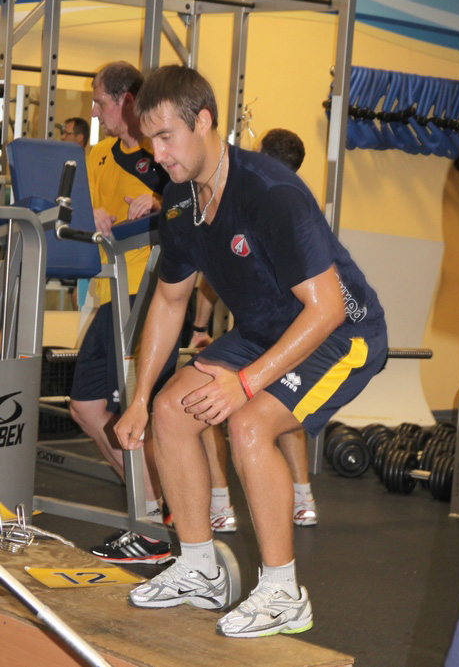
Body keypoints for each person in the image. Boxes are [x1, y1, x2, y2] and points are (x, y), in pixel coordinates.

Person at [114, 64, 388, 638]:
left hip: (341, 333)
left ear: (203, 121)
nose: (156, 154)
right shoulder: (180, 200)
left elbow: (327, 310)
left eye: (165, 137)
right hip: (265, 328)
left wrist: (244, 383)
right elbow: (169, 301)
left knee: (249, 426)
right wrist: (138, 397)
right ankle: (199, 569)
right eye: (148, 139)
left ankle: (284, 593)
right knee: (170, 410)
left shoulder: (270, 192)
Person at [69, 61, 176, 564]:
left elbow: (194, 204)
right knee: (87, 409)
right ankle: (151, 511)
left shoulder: (162, 157)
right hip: (108, 290)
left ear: (125, 101)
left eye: (99, 102)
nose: (94, 112)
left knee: (137, 415)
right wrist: (84, 213)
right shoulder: (96, 155)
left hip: (145, 294)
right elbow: (73, 211)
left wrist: (156, 202)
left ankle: (155, 526)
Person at [190, 128, 316, 532]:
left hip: (272, 334)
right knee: (282, 414)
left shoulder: (259, 201)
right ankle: (303, 500)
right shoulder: (298, 202)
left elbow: (215, 276)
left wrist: (198, 326)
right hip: (289, 334)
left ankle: (222, 505)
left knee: (211, 403)